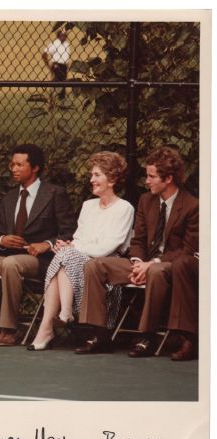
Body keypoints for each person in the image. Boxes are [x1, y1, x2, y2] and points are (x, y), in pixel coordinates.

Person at [76, 146, 199, 360]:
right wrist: (137, 261)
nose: (147, 181)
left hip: (169, 264)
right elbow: (138, 239)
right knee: (95, 265)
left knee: (156, 272)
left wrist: (151, 264)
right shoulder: (146, 200)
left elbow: (187, 250)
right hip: (143, 262)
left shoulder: (191, 205)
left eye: (151, 177)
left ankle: (147, 336)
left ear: (168, 178)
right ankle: (99, 333)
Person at [0, 144, 77, 346]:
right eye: (12, 164)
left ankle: (8, 328)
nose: (13, 169)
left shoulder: (54, 193)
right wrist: (1, 240)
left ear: (35, 168)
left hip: (42, 261)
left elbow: (70, 232)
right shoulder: (9, 197)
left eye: (19, 165)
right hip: (9, 257)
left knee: (11, 264)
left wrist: (47, 244)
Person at [27, 151, 134, 351]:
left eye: (96, 175)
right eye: (91, 175)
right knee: (65, 253)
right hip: (79, 261)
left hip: (106, 264)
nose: (91, 180)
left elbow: (107, 248)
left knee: (65, 254)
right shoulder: (88, 205)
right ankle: (61, 316)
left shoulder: (124, 208)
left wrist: (72, 248)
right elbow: (78, 238)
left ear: (112, 180)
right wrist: (71, 247)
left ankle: (52, 323)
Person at [42, 29, 70, 100]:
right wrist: (49, 65)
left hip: (64, 67)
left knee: (63, 84)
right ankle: (51, 100)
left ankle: (60, 102)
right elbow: (45, 54)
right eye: (63, 35)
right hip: (57, 66)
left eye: (65, 35)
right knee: (55, 83)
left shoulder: (66, 44)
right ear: (59, 36)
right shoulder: (55, 44)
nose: (64, 36)